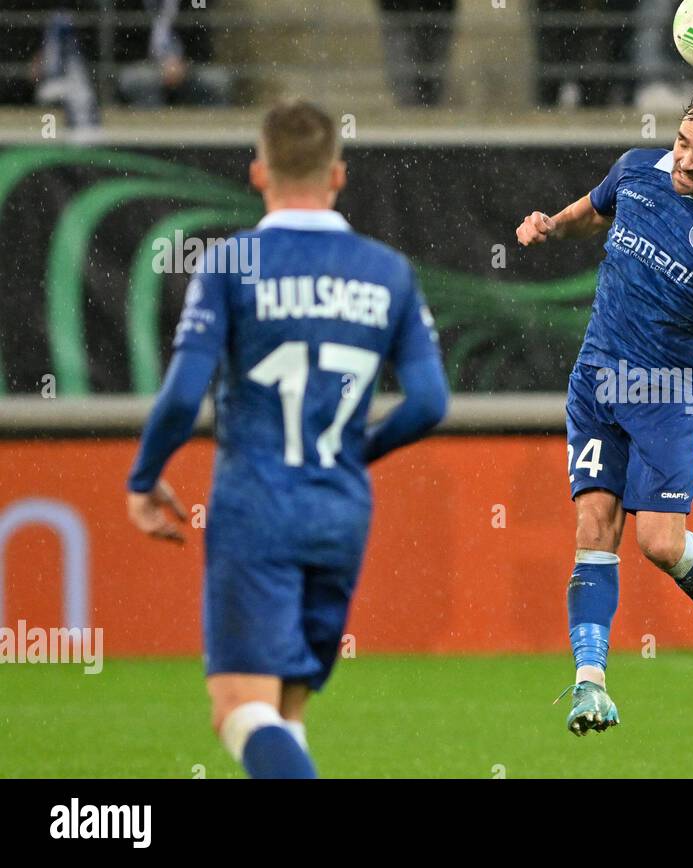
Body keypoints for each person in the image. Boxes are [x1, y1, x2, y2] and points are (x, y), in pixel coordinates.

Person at [126, 100, 449, 778]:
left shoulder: (230, 263)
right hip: (340, 511)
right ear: (337, 175)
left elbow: (185, 394)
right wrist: (358, 451)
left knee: (239, 711)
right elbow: (428, 403)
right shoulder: (387, 270)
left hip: (258, 507)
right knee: (287, 714)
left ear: (257, 172)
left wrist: (143, 477)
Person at [515, 75, 693, 736]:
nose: (687, 161)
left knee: (661, 545)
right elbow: (594, 210)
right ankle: (590, 685)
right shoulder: (638, 170)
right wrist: (552, 225)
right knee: (595, 524)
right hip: (599, 381)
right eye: (683, 143)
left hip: (666, 397)